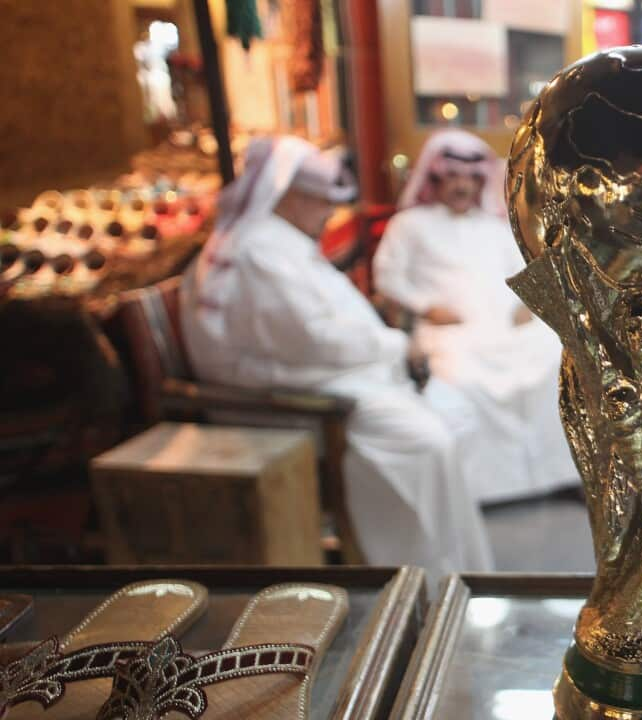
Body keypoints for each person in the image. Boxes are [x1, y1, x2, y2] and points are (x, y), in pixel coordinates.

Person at [181, 135, 493, 577]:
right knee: (428, 441)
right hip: (287, 397)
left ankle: (456, 570)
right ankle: (414, 577)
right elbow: (314, 339)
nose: (329, 213)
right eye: (320, 201)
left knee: (455, 413)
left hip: (311, 374)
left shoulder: (275, 240)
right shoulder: (260, 251)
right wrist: (396, 346)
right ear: (287, 195)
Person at [374, 130, 575, 504]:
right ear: (435, 180)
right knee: (461, 377)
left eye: (470, 178)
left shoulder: (496, 227)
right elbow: (388, 279)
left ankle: (557, 476)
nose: (462, 186)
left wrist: (524, 306)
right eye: (453, 177)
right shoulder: (409, 225)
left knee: (557, 358)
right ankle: (485, 490)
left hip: (507, 328)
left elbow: (525, 274)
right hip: (450, 330)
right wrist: (424, 306)